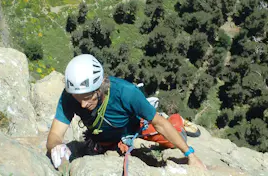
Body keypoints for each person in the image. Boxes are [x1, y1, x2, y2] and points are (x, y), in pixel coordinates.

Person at [46, 54, 207, 170]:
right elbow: (55, 135)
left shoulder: (126, 92)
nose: (82, 104)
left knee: (173, 140)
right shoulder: (69, 96)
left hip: (136, 127)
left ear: (101, 86)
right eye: (77, 98)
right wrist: (56, 146)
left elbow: (159, 124)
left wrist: (190, 155)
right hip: (103, 138)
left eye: (88, 97)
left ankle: (177, 121)